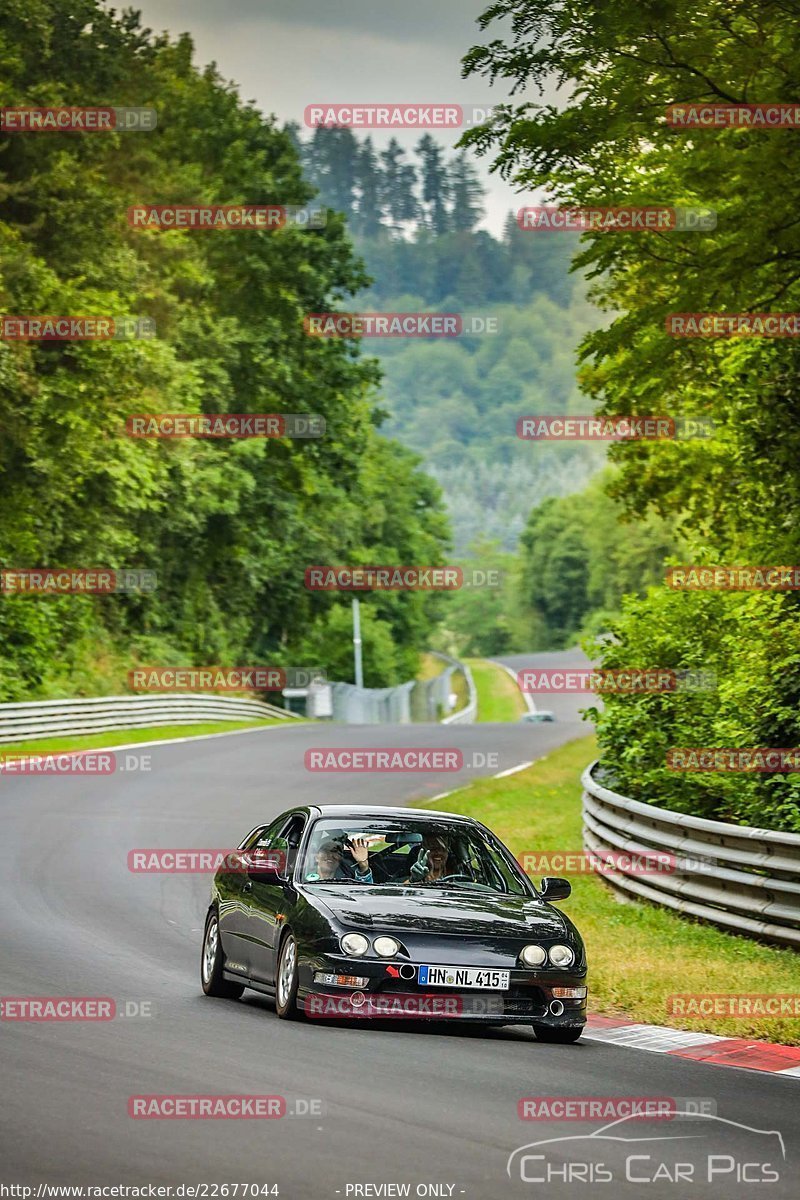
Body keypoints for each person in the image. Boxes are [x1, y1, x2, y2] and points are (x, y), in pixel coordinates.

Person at [308, 834, 373, 883]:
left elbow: (365, 891)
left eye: (335, 851)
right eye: (325, 850)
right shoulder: (302, 877)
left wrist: (363, 864)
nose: (330, 855)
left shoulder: (348, 881)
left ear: (340, 858)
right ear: (316, 857)